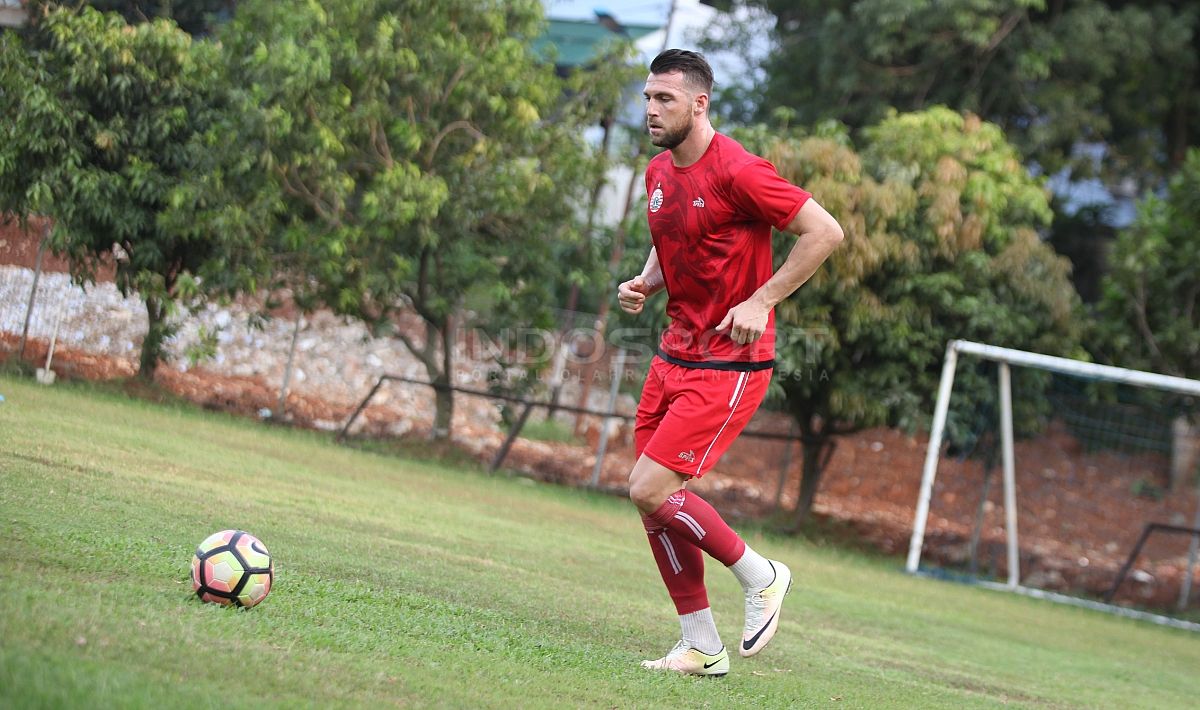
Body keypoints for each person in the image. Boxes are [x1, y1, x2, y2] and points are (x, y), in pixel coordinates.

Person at [618, 49, 844, 677]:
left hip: (729, 361)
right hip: (674, 352)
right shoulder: (658, 172)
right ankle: (700, 644)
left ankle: (763, 575)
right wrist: (645, 282)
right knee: (652, 499)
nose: (651, 109)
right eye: (647, 96)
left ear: (699, 103)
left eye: (665, 99)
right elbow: (674, 239)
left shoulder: (741, 170)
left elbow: (825, 231)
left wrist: (762, 298)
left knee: (649, 488)